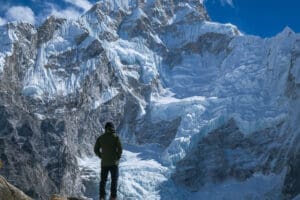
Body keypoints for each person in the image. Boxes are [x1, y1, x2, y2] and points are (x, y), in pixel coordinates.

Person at [94, 122, 123, 200]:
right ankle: (113, 197)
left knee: (103, 180)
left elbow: (95, 149)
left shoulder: (101, 138)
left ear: (105, 128)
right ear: (113, 128)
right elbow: (120, 149)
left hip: (104, 164)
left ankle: (102, 197)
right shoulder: (116, 137)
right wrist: (117, 157)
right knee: (114, 180)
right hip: (114, 163)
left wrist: (101, 156)